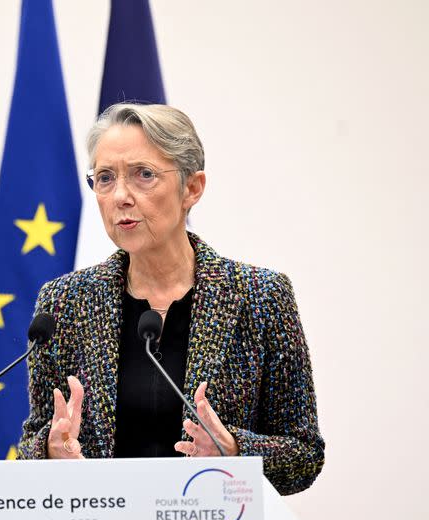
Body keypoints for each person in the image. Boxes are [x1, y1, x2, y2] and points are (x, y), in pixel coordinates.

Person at [16, 103, 324, 495]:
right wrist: (48, 450)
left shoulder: (260, 297)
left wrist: (234, 449)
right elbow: (31, 445)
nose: (121, 196)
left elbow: (304, 456)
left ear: (192, 188)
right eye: (105, 178)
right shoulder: (64, 303)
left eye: (144, 175)